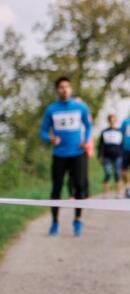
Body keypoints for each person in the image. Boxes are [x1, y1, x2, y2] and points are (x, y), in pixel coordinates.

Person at [39, 76, 93, 237]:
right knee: (56, 188)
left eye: (67, 87)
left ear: (71, 89)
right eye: (61, 87)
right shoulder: (51, 109)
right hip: (59, 155)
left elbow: (89, 125)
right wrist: (50, 138)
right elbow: (42, 131)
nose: (65, 89)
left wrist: (86, 140)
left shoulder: (80, 107)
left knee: (80, 188)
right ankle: (54, 222)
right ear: (57, 90)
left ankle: (77, 219)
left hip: (78, 154)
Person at [97, 113, 123, 199]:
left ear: (115, 121)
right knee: (107, 173)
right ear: (108, 121)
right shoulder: (104, 132)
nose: (112, 121)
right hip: (106, 156)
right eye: (110, 120)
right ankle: (105, 194)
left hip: (118, 155)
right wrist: (99, 156)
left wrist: (123, 155)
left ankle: (118, 193)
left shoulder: (120, 131)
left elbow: (122, 145)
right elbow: (100, 145)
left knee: (117, 174)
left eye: (113, 119)